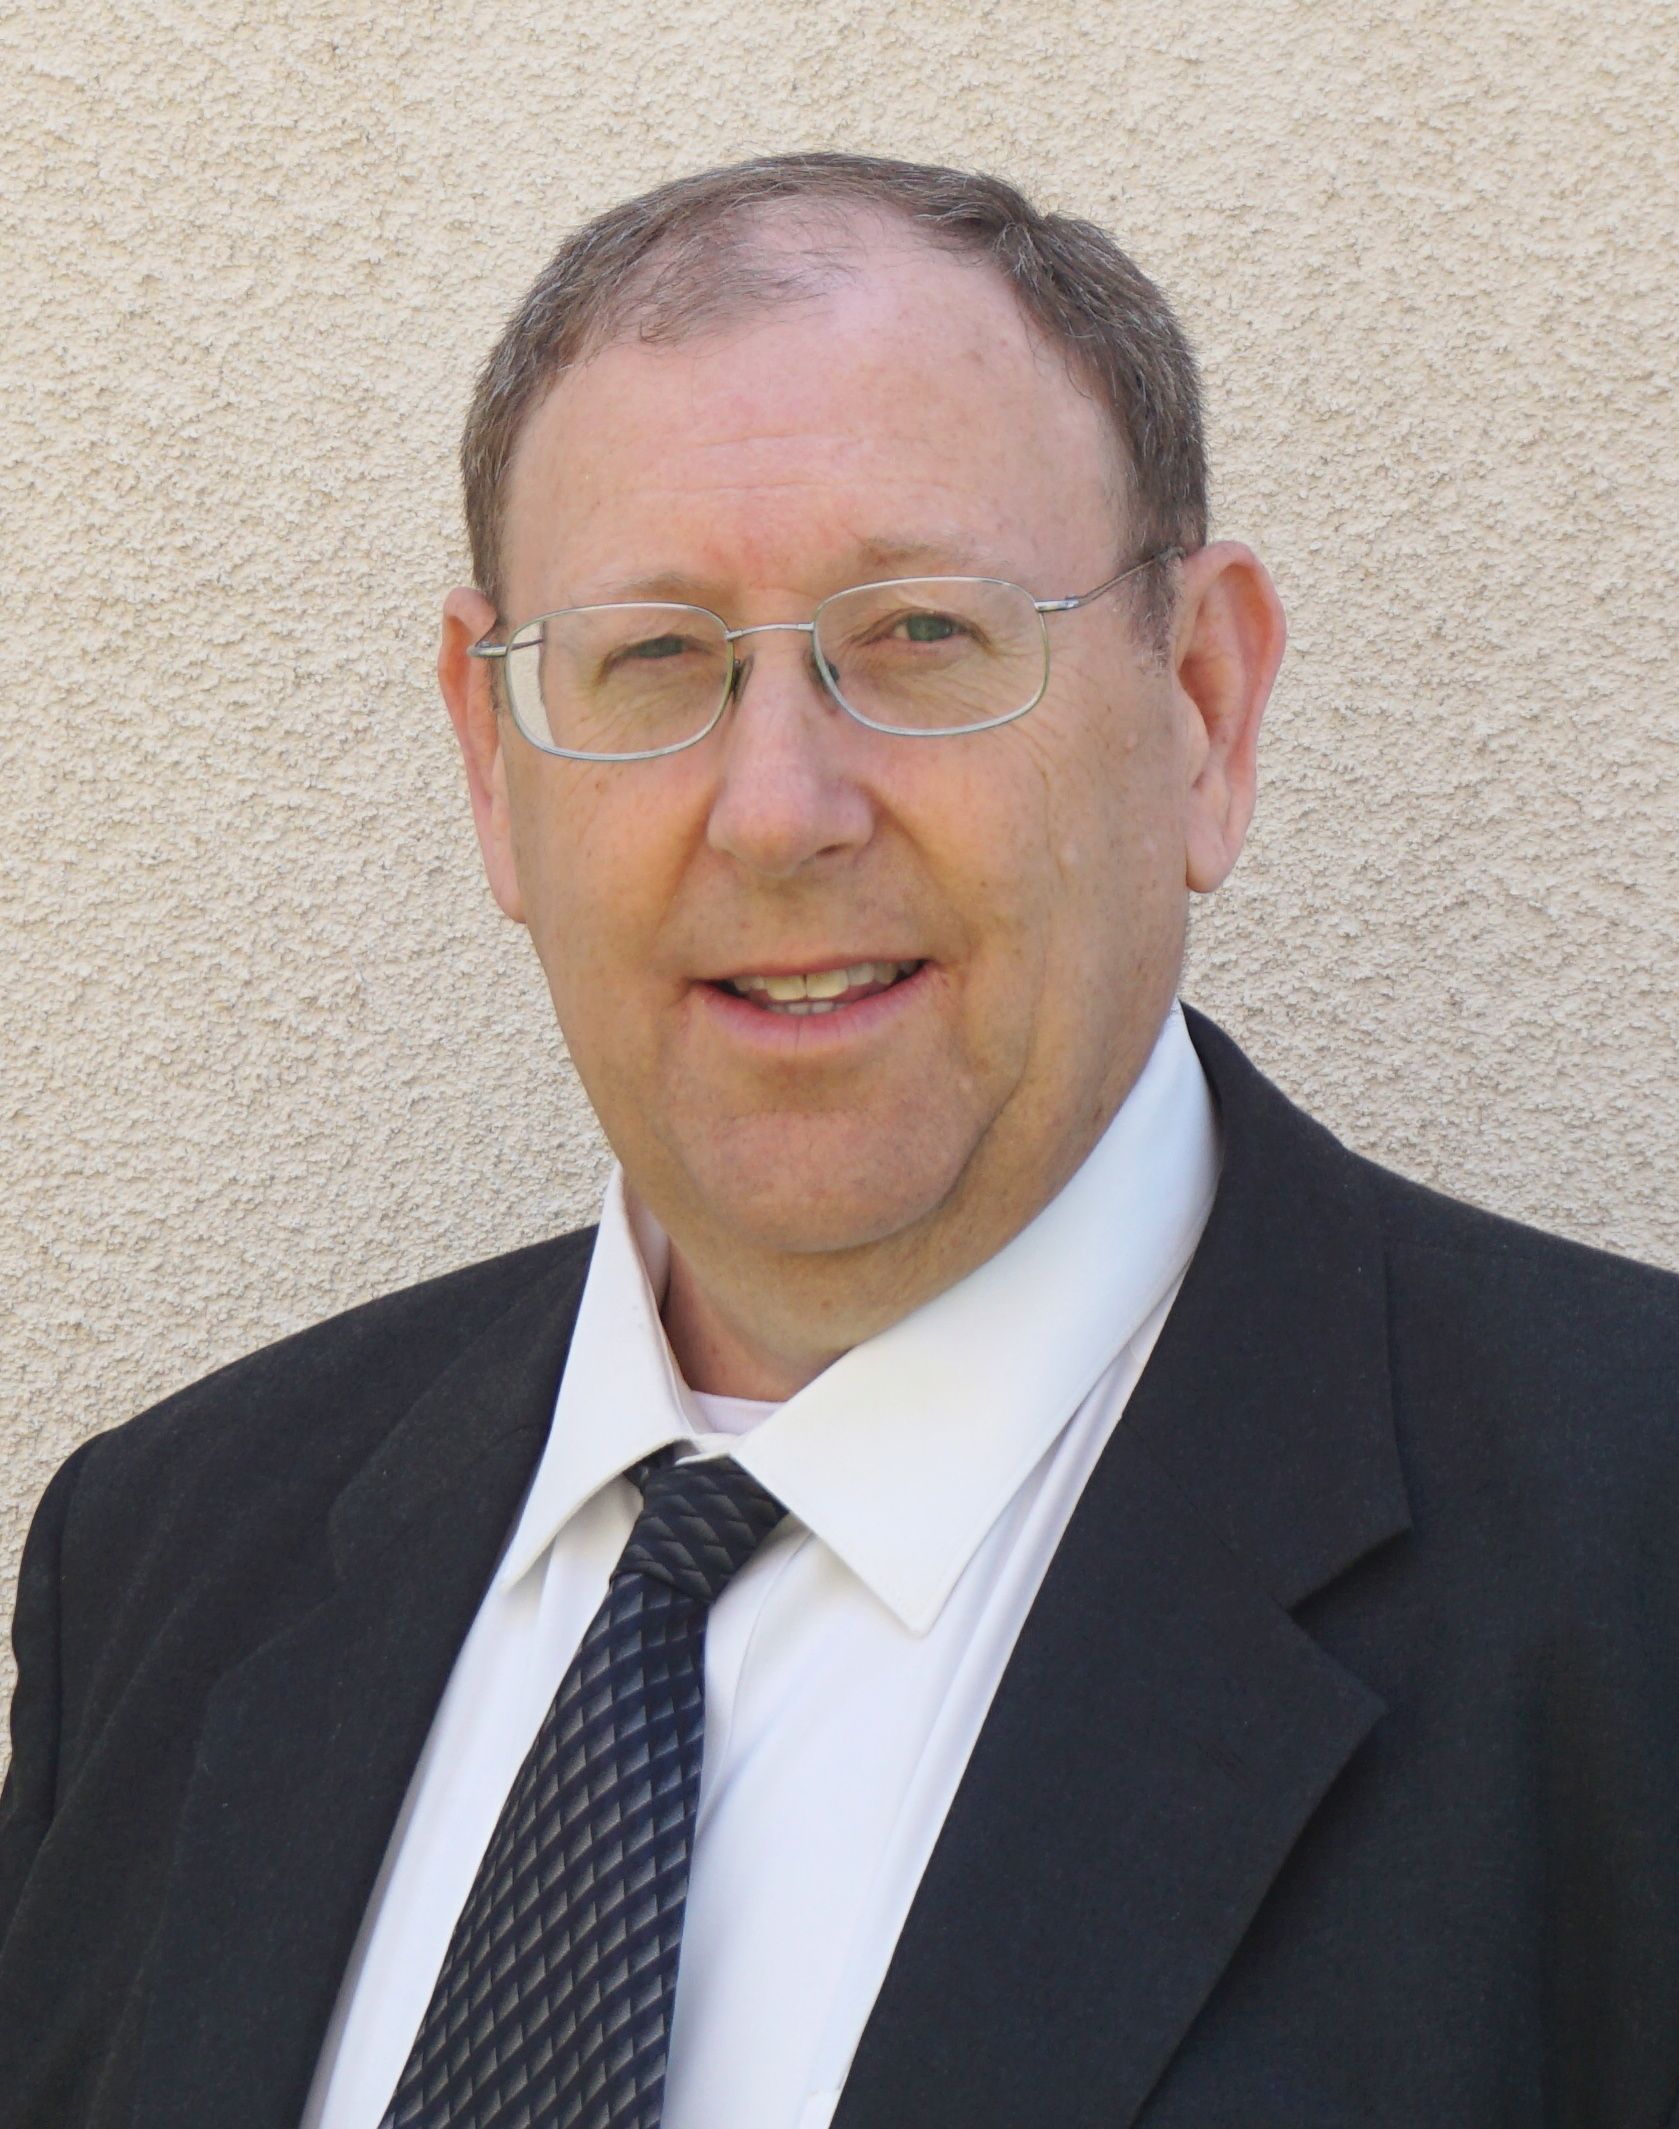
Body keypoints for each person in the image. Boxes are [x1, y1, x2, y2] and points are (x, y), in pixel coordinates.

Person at [1, 150, 1676, 2129]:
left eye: (917, 639)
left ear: (1204, 711)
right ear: (490, 755)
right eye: (652, 658)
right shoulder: (175, 1553)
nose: (779, 808)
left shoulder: (1632, 1564)